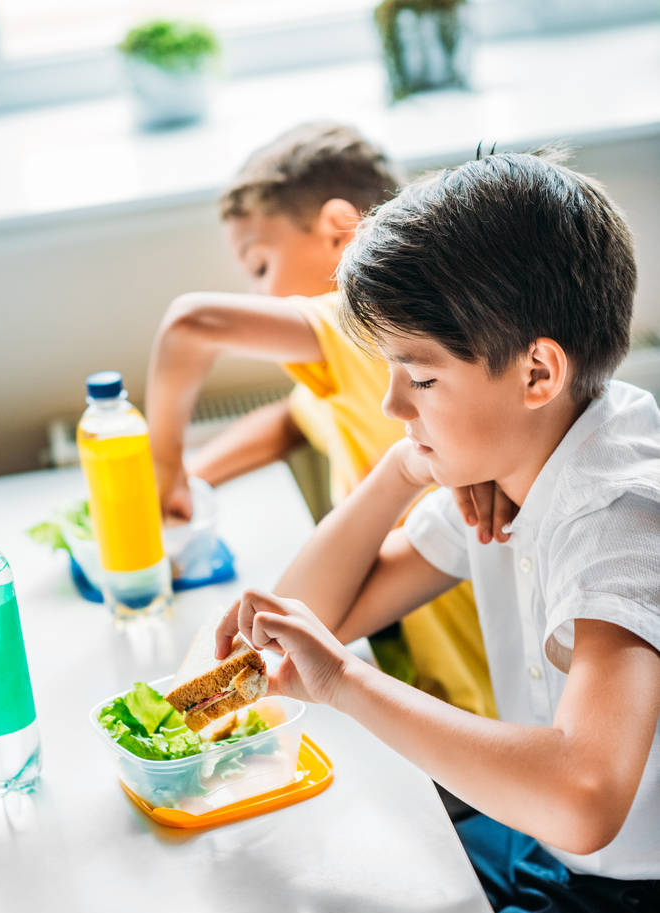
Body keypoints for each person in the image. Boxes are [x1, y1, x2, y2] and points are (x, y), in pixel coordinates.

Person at [214, 149, 660, 913]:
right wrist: (398, 470)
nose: (391, 403)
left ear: (537, 372)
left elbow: (583, 797)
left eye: (417, 378)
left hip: (629, 911)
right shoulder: (511, 453)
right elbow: (299, 616)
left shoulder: (617, 517)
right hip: (548, 852)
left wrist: (345, 681)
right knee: (331, 890)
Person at [146, 121, 502, 719]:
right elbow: (291, 421)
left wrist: (159, 474)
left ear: (342, 232)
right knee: (247, 663)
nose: (262, 297)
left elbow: (189, 323)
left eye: (261, 267)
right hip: (397, 624)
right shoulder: (363, 368)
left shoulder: (357, 320)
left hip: (470, 665)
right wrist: (196, 478)